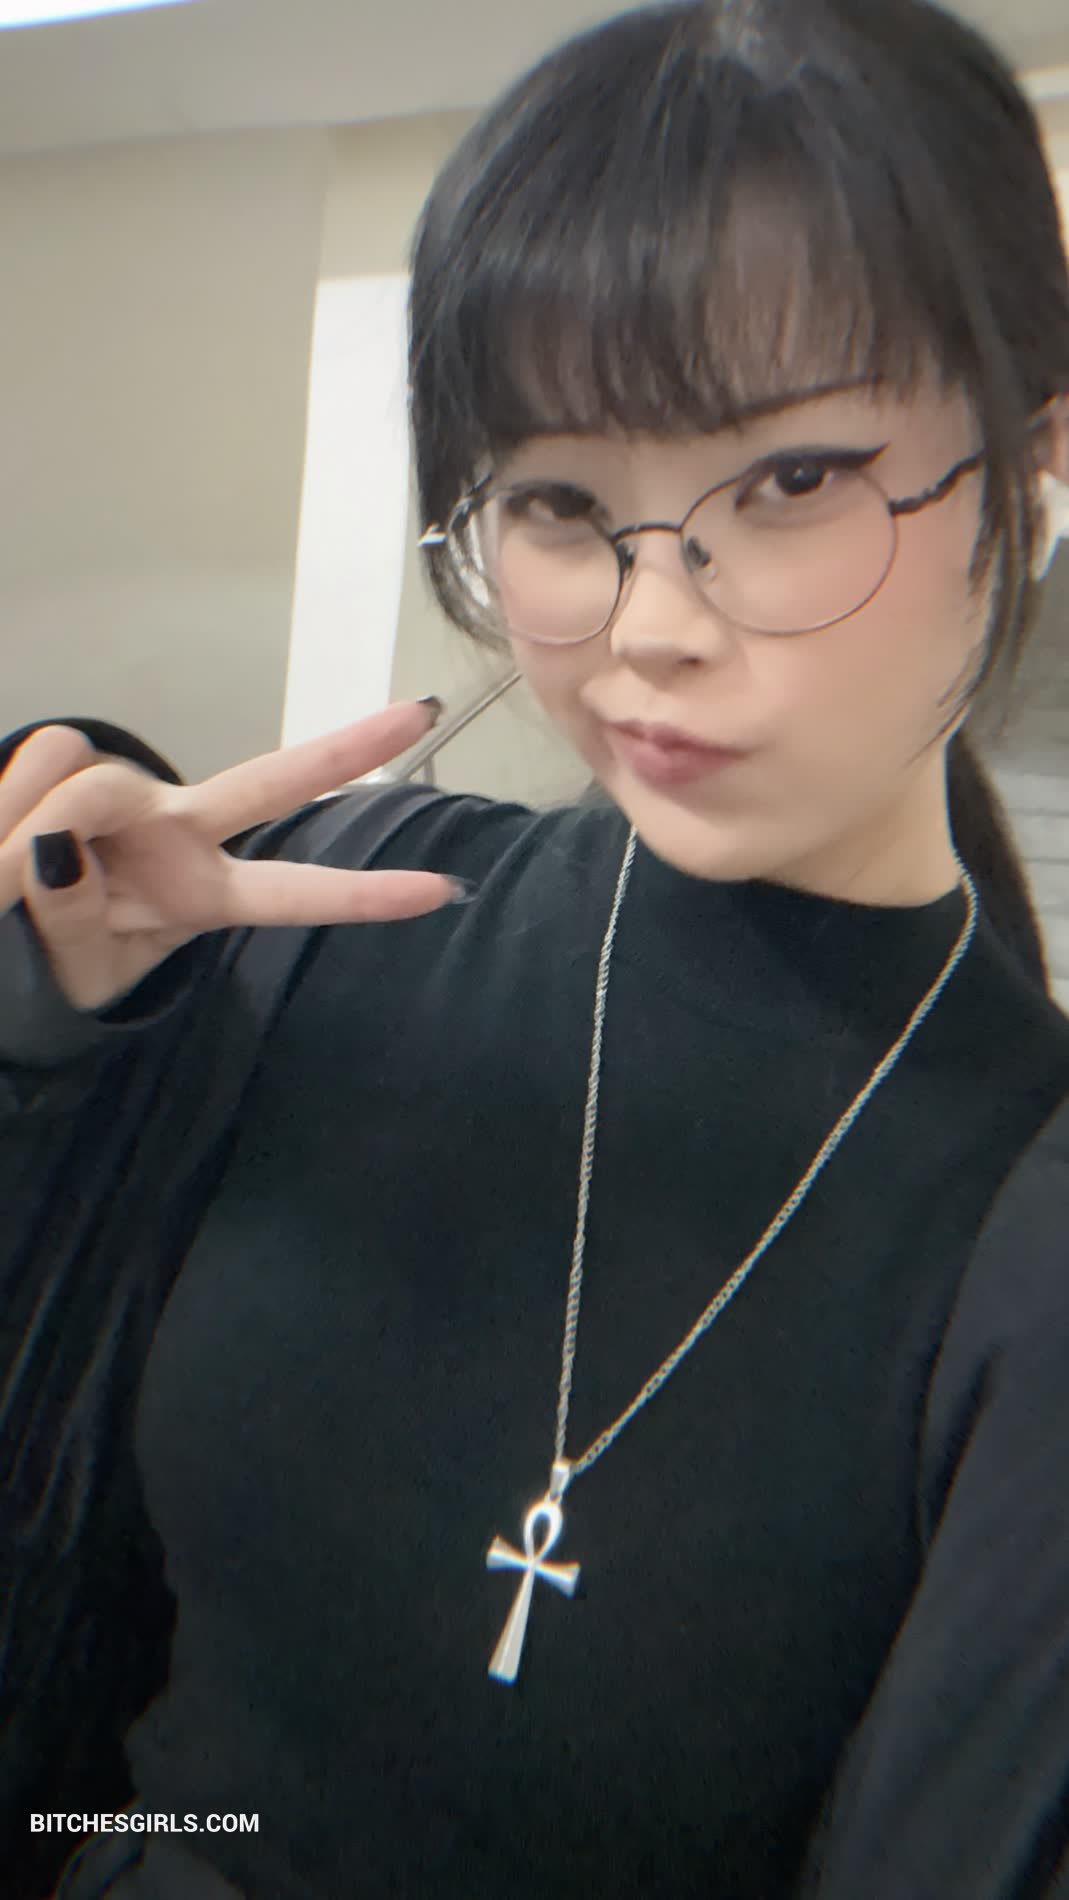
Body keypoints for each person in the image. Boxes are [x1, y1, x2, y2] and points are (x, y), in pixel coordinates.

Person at [3, 0, 1069, 1893]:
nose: (649, 625)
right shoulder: (337, 925)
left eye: (791, 481)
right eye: (563, 505)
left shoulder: (1020, 1222)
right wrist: (58, 1033)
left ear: (1028, 471)